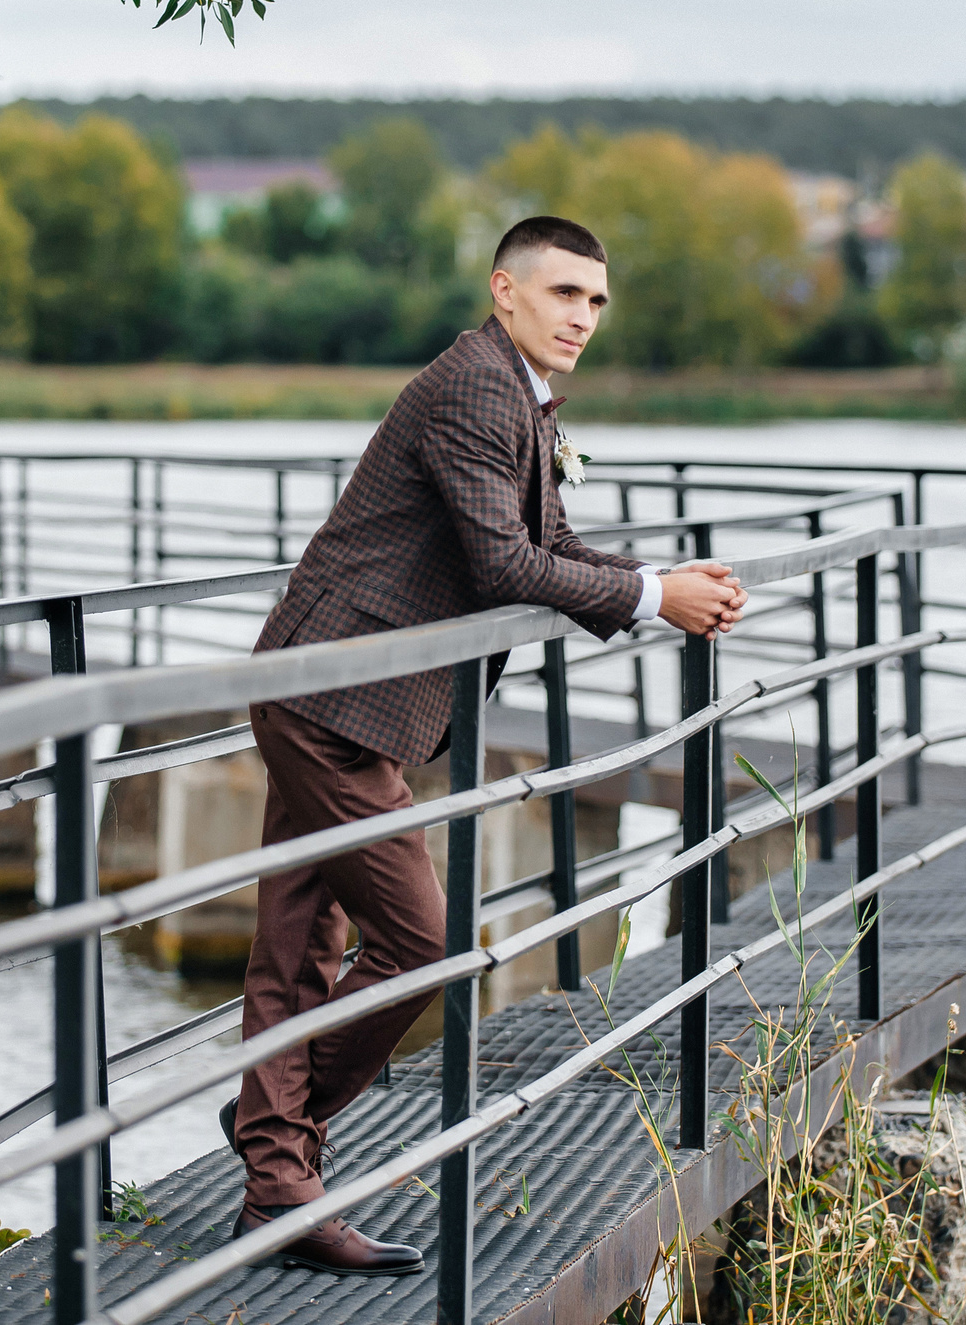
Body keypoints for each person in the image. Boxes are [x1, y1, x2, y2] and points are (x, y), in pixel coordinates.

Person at [221, 213, 745, 1273]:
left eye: (596, 300)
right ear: (504, 290)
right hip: (331, 693)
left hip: (347, 693)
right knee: (424, 941)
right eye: (564, 294)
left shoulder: (515, 392)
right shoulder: (471, 385)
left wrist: (669, 580)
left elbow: (546, 544)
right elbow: (505, 562)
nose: (583, 317)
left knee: (298, 948)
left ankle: (278, 1184)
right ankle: (272, 1149)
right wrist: (651, 597)